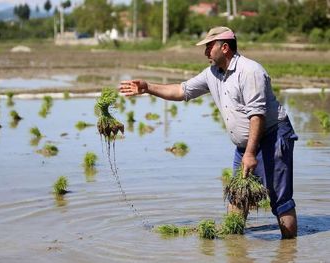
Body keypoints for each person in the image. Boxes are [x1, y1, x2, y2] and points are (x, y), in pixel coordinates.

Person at [119, 26, 298, 239]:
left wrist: (250, 154)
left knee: (280, 198)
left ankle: (289, 251)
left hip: (272, 136)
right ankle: (236, 248)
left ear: (224, 47)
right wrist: (147, 87)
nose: (205, 52)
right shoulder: (213, 73)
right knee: (237, 196)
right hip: (245, 144)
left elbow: (257, 115)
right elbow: (180, 90)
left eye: (208, 47)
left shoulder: (250, 71)